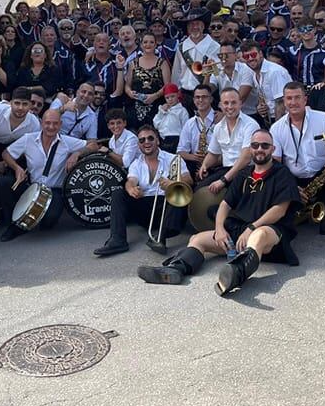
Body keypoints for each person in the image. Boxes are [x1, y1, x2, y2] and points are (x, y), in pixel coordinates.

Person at [137, 128, 300, 296]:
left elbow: (279, 210)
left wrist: (251, 228)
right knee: (197, 239)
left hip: (270, 234)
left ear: (273, 149)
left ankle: (235, 275)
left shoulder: (282, 174)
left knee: (260, 235)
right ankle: (175, 270)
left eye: (265, 145)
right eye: (255, 145)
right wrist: (220, 229)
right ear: (250, 148)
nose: (260, 149)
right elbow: (225, 204)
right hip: (240, 233)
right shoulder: (244, 174)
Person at [94, 125, 193, 256]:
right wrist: (131, 190)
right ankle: (117, 240)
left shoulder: (174, 159)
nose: (146, 142)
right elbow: (131, 181)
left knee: (177, 192)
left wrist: (172, 184)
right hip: (145, 210)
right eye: (142, 140)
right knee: (118, 192)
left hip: (167, 208)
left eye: (150, 138)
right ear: (139, 144)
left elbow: (189, 180)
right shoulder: (136, 163)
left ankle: (160, 239)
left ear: (157, 140)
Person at [270, 82, 325, 235]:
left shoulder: (323, 118)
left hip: (323, 174)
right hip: (295, 177)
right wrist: (290, 185)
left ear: (305, 99)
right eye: (289, 98)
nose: (293, 102)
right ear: (284, 101)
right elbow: (275, 164)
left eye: (297, 98)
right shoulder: (276, 128)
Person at [0, 109, 88, 242]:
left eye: (55, 123)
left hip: (53, 190)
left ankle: (36, 219)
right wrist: (17, 168)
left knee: (48, 223)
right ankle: (14, 225)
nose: (51, 127)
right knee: (4, 183)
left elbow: (93, 145)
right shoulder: (29, 139)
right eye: (48, 123)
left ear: (60, 124)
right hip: (31, 186)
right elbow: (6, 153)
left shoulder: (67, 142)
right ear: (42, 123)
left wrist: (76, 153)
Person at [197, 88, 260, 190]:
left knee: (226, 197)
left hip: (246, 172)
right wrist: (205, 165)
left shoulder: (251, 125)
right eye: (226, 103)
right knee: (199, 190)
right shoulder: (218, 127)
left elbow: (246, 158)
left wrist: (223, 180)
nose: (230, 107)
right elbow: (213, 154)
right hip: (225, 171)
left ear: (240, 104)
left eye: (233, 103)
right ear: (221, 105)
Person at [0, 87, 42, 158]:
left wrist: (5, 163)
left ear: (30, 105)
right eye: (17, 103)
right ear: (11, 103)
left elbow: (33, 148)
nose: (20, 108)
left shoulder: (34, 123)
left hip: (14, 148)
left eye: (25, 104)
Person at [171, 8, 221, 98]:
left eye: (197, 23)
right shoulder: (181, 47)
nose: (194, 27)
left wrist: (209, 90)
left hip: (206, 95)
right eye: (191, 24)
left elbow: (217, 73)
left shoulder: (215, 47)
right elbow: (176, 73)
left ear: (203, 26)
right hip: (184, 95)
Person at [239, 39, 289, 128]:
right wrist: (260, 108)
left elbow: (281, 103)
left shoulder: (274, 72)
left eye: (253, 55)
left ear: (261, 54)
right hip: (271, 119)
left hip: (284, 120)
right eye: (246, 56)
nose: (250, 58)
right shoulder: (254, 74)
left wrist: (276, 130)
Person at [125, 33, 171, 126]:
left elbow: (167, 85)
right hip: (135, 105)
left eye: (151, 42)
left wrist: (155, 96)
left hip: (156, 105)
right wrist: (129, 92)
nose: (148, 45)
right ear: (141, 45)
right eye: (145, 42)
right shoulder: (133, 63)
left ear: (155, 45)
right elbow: (127, 85)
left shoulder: (162, 63)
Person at [176, 84, 220, 177]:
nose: (200, 100)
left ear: (211, 99)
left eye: (204, 97)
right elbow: (180, 151)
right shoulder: (189, 123)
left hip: (217, 166)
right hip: (195, 165)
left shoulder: (220, 120)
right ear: (193, 100)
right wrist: (195, 157)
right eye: (197, 97)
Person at [153, 84, 189, 152]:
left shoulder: (182, 111)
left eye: (172, 96)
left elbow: (186, 128)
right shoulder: (162, 109)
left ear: (178, 95)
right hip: (163, 140)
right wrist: (161, 112)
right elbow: (155, 124)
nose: (170, 99)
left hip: (177, 139)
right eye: (167, 98)